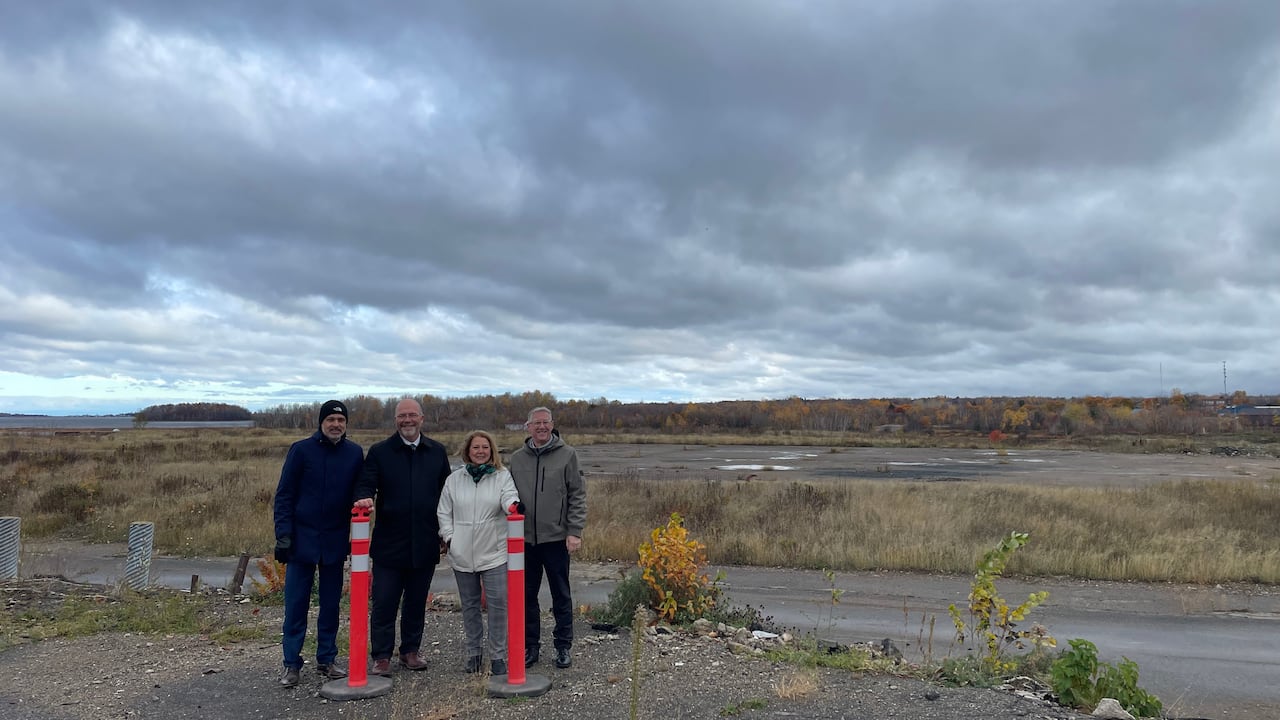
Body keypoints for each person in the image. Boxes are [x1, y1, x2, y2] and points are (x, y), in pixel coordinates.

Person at [353, 398, 451, 676]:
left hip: (425, 540)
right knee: (384, 601)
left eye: (412, 415)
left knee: (416, 602)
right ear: (395, 420)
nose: (407, 420)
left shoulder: (436, 452)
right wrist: (362, 497)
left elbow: (448, 494)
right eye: (401, 416)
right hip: (389, 544)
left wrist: (446, 532)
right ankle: (381, 656)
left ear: (422, 418)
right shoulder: (380, 452)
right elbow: (366, 483)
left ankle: (410, 651)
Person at [272, 399, 364, 688]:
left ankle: (327, 658)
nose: (336, 425)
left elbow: (359, 490)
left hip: (334, 542)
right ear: (321, 423)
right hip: (301, 541)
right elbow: (285, 495)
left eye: (341, 420)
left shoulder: (354, 453)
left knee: (330, 604)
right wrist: (283, 535)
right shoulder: (302, 450)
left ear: (346, 424)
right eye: (331, 420)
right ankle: (291, 664)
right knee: (296, 605)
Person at [437, 429, 522, 675]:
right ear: (468, 450)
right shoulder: (454, 479)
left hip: (494, 553)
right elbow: (444, 511)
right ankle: (474, 654)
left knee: (498, 604)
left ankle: (497, 656)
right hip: (461, 554)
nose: (481, 451)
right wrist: (450, 538)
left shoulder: (502, 476)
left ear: (491, 450)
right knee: (470, 606)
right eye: (476, 447)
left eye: (485, 447)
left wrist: (513, 507)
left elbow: (509, 498)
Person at [507, 406, 586, 669]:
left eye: (545, 422)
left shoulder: (567, 455)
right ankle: (530, 647)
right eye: (536, 423)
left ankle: (563, 646)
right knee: (526, 596)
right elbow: (507, 496)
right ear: (527, 427)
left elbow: (577, 494)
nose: (541, 427)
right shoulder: (517, 459)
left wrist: (574, 531)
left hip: (556, 539)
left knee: (560, 595)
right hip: (524, 541)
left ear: (552, 425)